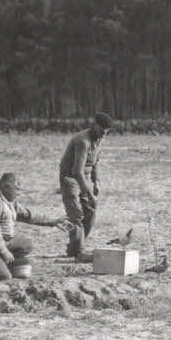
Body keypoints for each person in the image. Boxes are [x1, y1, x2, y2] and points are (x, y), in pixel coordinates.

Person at [0, 172, 69, 283]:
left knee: (26, 244)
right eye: (17, 189)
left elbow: (28, 215)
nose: (19, 194)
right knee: (2, 276)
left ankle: (2, 263)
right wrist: (4, 252)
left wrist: (53, 222)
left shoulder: (9, 200)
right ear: (6, 187)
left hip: (2, 240)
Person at [59, 111, 114, 259]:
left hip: (85, 177)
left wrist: (96, 181)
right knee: (76, 215)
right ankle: (79, 252)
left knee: (91, 211)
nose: (104, 133)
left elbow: (95, 163)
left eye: (107, 131)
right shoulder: (83, 141)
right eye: (102, 129)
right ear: (94, 125)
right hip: (70, 178)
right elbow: (77, 171)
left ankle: (74, 248)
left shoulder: (100, 138)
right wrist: (89, 193)